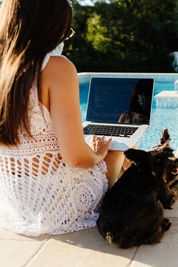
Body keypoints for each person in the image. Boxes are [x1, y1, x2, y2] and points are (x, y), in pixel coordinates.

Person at [0, 0, 127, 236]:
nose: (63, 37)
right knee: (116, 148)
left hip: (14, 202)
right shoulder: (56, 67)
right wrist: (98, 155)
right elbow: (76, 158)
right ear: (49, 27)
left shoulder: (4, 68)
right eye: (65, 30)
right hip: (56, 206)